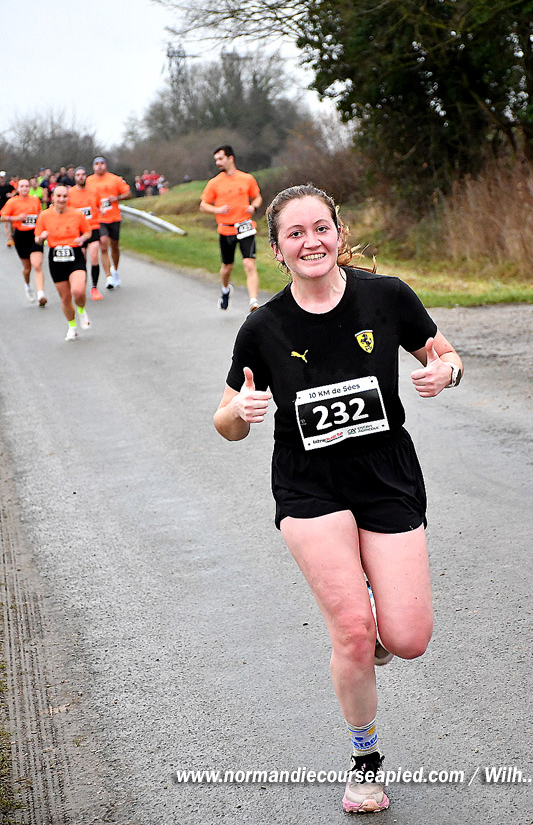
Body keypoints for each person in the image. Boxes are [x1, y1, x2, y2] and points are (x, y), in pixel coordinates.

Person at [214, 184, 464, 814]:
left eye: (320, 228)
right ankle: (365, 761)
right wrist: (241, 413)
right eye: (295, 234)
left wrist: (447, 372)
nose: (311, 242)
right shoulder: (263, 327)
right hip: (309, 483)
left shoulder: (387, 296)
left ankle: (375, 614)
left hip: (386, 474)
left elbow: (446, 355)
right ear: (277, 250)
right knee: (353, 632)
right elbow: (224, 419)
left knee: (407, 638)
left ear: (339, 233)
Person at [200, 145, 262, 312]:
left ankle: (254, 302)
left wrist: (254, 207)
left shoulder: (247, 178)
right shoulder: (214, 182)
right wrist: (217, 210)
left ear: (230, 158)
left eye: (220, 159)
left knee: (249, 264)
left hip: (245, 226)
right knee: (227, 267)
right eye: (216, 160)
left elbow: (257, 197)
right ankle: (225, 289)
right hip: (226, 229)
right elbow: (203, 205)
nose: (218, 162)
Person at [34, 184, 91, 341]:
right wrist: (42, 238)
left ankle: (81, 310)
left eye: (64, 196)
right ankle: (72, 327)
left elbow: (88, 232)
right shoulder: (44, 216)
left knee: (78, 291)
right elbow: (37, 238)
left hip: (74, 255)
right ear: (53, 198)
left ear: (68, 198)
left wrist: (82, 238)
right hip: (56, 258)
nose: (61, 199)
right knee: (65, 298)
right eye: (58, 196)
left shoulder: (77, 214)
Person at [86, 156, 131, 289]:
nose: (99, 166)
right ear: (93, 167)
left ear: (106, 165)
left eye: (102, 163)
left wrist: (117, 197)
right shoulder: (89, 181)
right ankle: (109, 277)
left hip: (114, 217)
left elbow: (128, 193)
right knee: (103, 244)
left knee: (115, 246)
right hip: (99, 218)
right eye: (97, 164)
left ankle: (115, 270)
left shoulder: (114, 179)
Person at [1, 178, 47, 305]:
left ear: (29, 188)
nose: (25, 188)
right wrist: (16, 218)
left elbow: (40, 214)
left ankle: (41, 294)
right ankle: (27, 285)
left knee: (37, 264)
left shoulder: (35, 199)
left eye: (27, 186)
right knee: (27, 268)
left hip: (34, 234)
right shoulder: (12, 202)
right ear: (18, 189)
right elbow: (2, 217)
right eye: (22, 186)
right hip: (21, 236)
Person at [67, 166, 104, 300]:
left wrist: (102, 209)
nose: (81, 177)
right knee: (82, 258)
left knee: (94, 256)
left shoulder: (94, 191)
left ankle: (94, 287)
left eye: (83, 174)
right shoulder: (70, 193)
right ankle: (81, 285)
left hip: (93, 227)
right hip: (78, 230)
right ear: (75, 177)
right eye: (78, 175)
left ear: (86, 176)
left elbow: (99, 204)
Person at [0, 170, 16, 247]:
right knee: (5, 224)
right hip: (1, 208)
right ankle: (9, 239)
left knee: (12, 224)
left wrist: (11, 194)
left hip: (9, 207)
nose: (2, 179)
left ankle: (12, 236)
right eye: (1, 178)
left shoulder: (9, 186)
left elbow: (16, 191)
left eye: (3, 178)